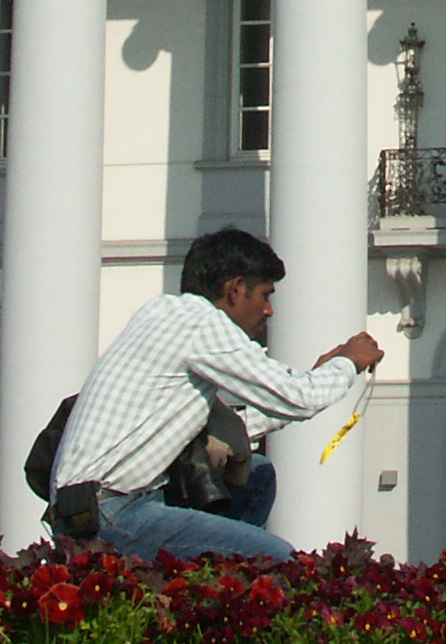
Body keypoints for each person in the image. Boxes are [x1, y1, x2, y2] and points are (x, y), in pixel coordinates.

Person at [48, 225, 381, 562]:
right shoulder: (201, 324)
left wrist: (321, 373)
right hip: (112, 512)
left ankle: (214, 583)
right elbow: (298, 398)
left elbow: (235, 427)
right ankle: (226, 586)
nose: (269, 311)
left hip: (89, 506)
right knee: (278, 560)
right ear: (235, 290)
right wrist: (348, 363)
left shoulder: (163, 314)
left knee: (258, 474)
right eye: (265, 295)